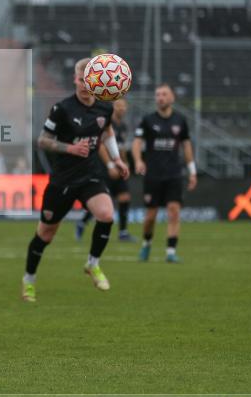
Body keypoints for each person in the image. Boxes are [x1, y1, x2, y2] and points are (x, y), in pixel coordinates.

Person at [22, 58, 129, 303]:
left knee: (106, 214)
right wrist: (69, 148)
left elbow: (107, 132)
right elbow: (43, 140)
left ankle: (93, 264)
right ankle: (29, 280)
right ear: (74, 79)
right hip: (62, 180)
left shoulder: (105, 108)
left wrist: (116, 159)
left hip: (90, 175)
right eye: (80, 80)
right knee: (45, 234)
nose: (83, 85)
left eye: (88, 81)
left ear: (96, 82)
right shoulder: (62, 109)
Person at [132, 84, 197, 263]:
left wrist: (192, 171)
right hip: (153, 174)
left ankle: (170, 252)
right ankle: (146, 244)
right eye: (158, 95)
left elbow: (186, 145)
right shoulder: (148, 120)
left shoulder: (180, 120)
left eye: (164, 94)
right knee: (150, 216)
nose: (160, 98)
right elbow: (137, 142)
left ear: (172, 98)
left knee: (174, 211)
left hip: (174, 173)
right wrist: (138, 160)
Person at [75, 98, 136, 242]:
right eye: (118, 105)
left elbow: (121, 148)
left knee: (124, 198)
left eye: (123, 106)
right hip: (103, 168)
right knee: (101, 202)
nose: (121, 108)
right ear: (113, 107)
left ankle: (123, 232)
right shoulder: (106, 123)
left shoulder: (123, 126)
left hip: (117, 167)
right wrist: (110, 166)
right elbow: (101, 145)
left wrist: (125, 163)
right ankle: (83, 221)